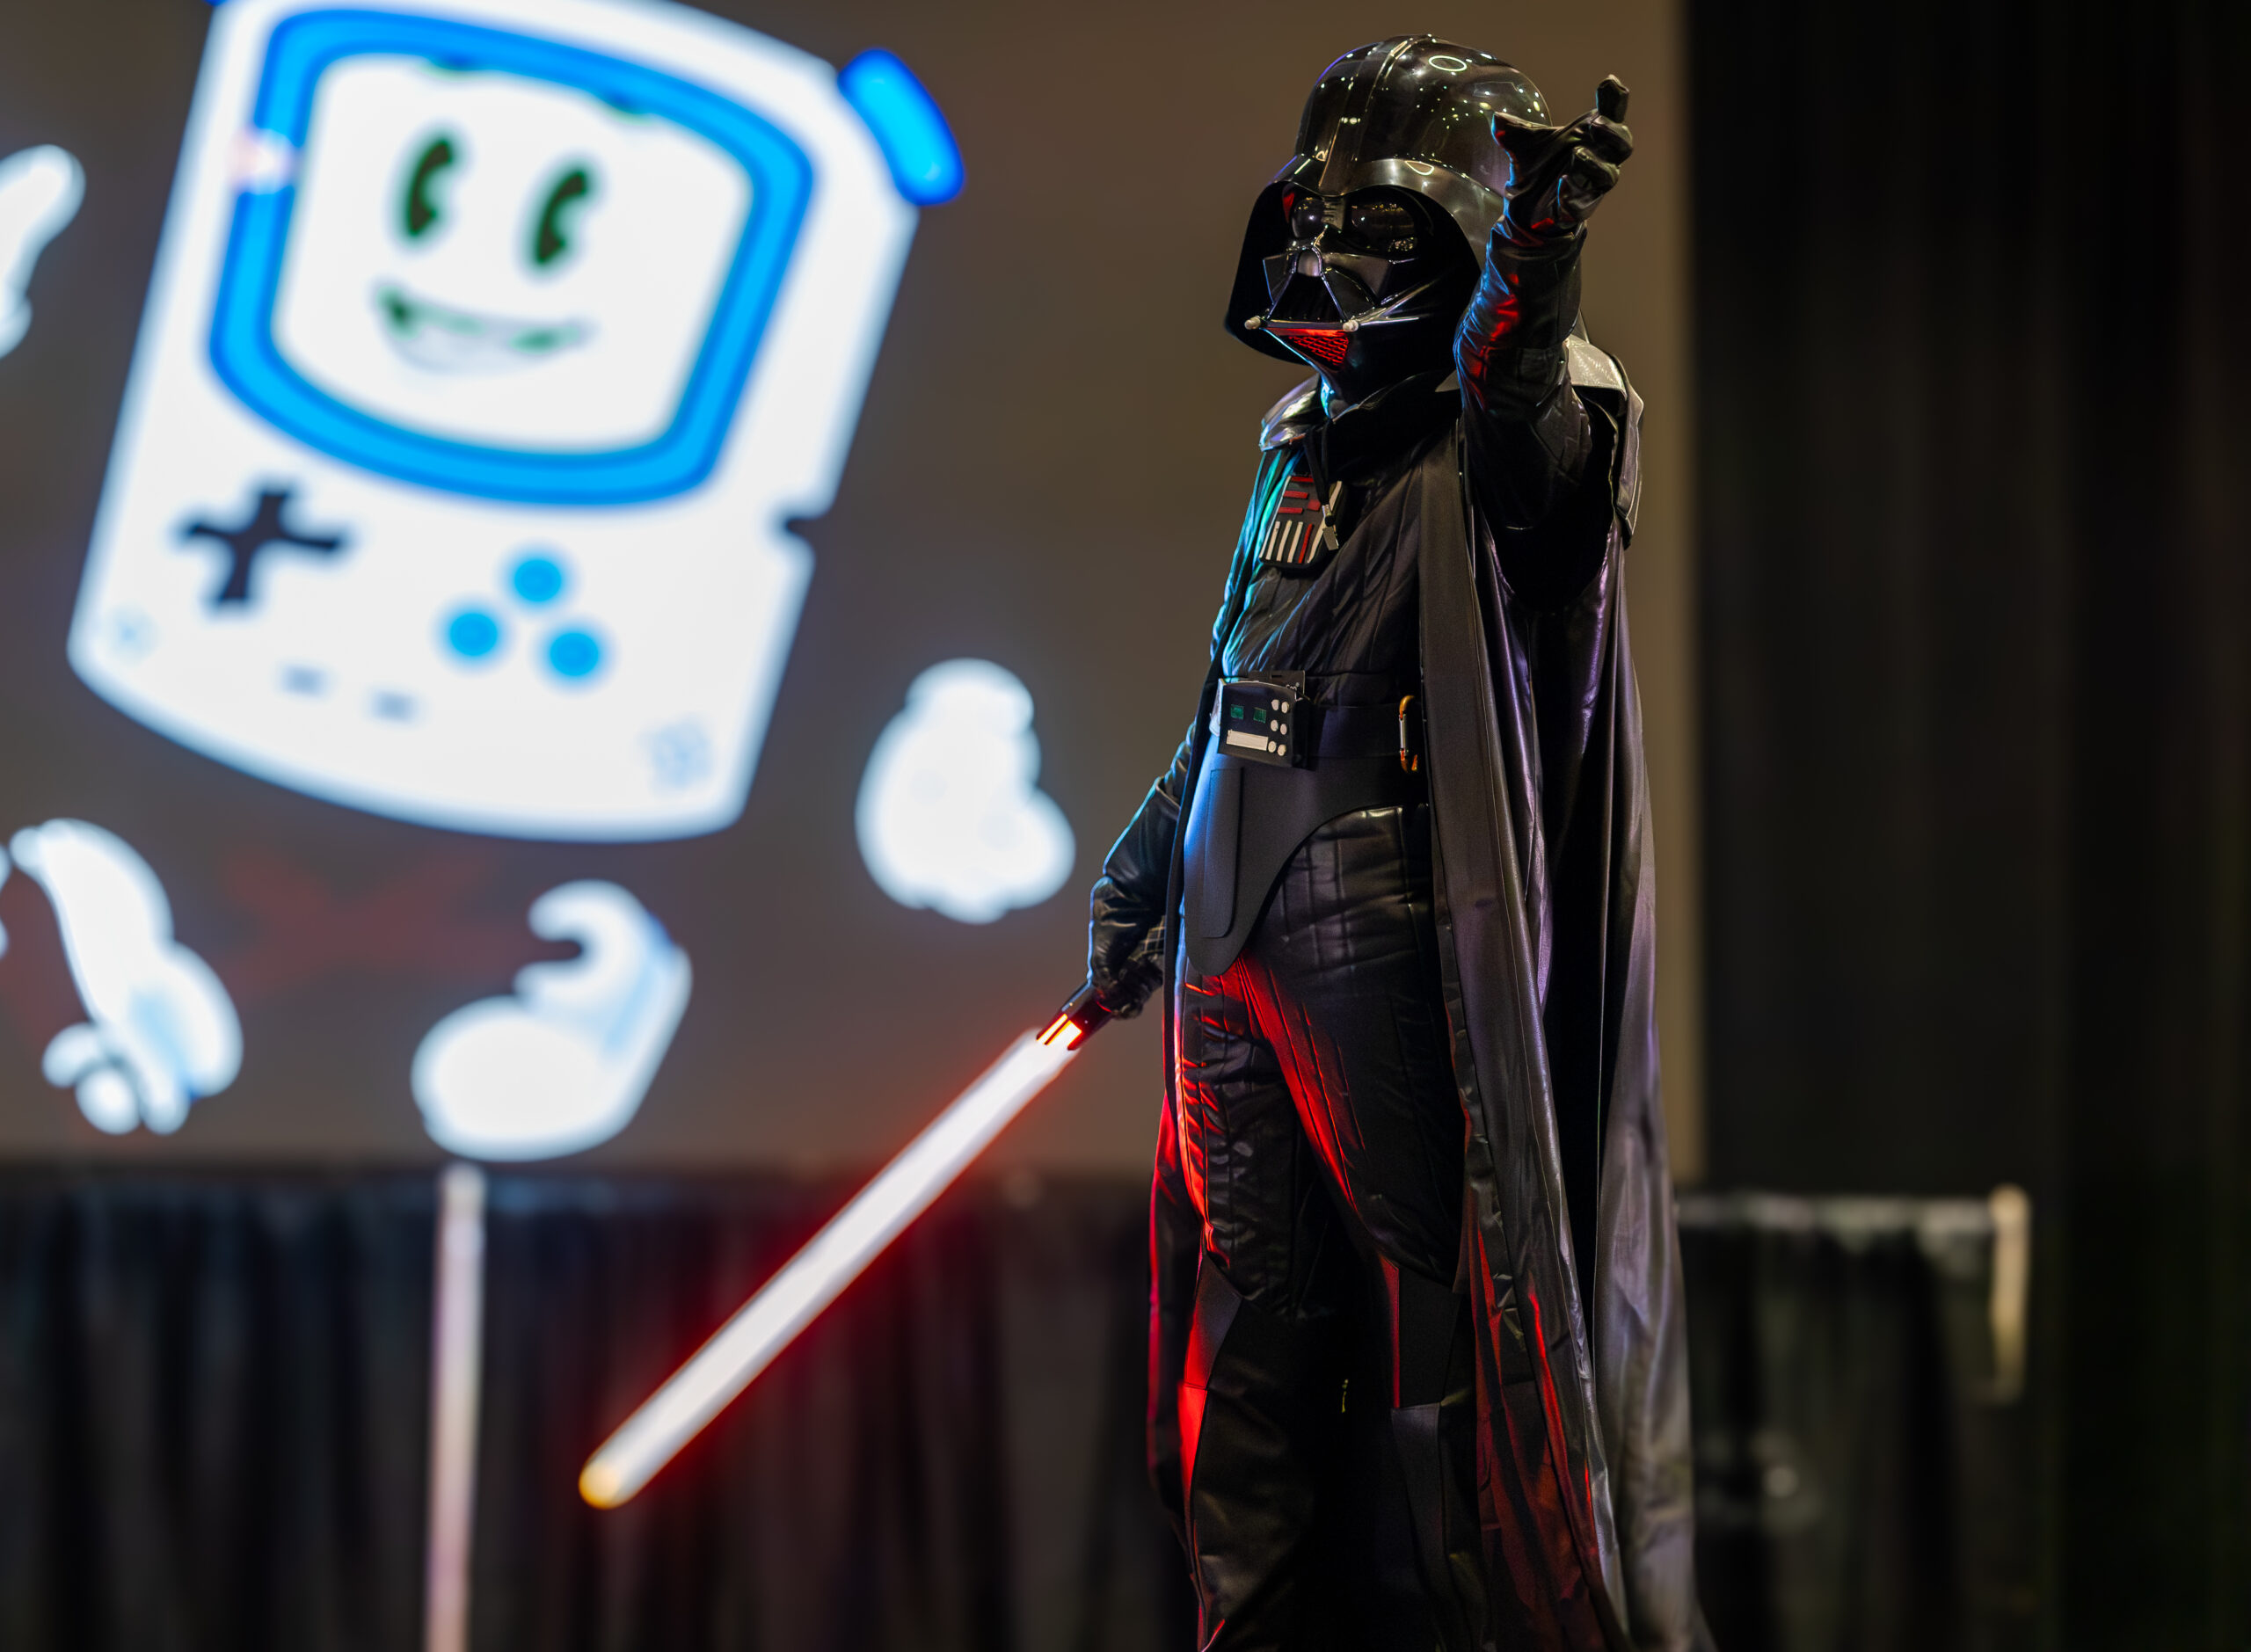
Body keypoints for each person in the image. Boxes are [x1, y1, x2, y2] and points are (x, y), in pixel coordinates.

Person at [1076, 37, 1707, 1651]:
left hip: (1377, 912)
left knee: (1452, 1325)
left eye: (1377, 225)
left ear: (1461, 235)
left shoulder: (1521, 430)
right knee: (1251, 1329)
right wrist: (1145, 875)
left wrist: (1537, 265)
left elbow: (1518, 409)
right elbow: (1234, 682)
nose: (1328, 258)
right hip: (1229, 918)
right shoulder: (1301, 433)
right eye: (1317, 217)